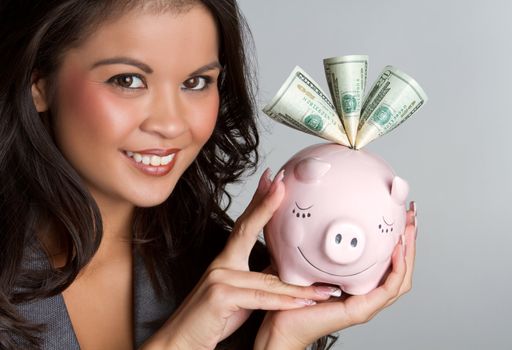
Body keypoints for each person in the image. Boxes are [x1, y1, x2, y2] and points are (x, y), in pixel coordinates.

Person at [0, 0, 418, 349]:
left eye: (197, 82)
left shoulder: (236, 280)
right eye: (128, 80)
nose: (171, 124)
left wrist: (278, 342)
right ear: (39, 82)